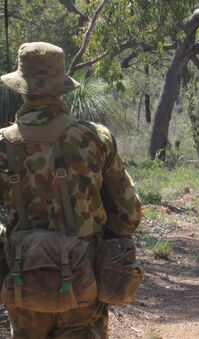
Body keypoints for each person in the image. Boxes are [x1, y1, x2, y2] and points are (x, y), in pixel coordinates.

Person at [0, 42, 141, 337]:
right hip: (83, 280)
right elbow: (128, 215)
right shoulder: (95, 137)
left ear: (21, 87)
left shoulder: (2, 144)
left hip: (24, 280)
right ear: (62, 87)